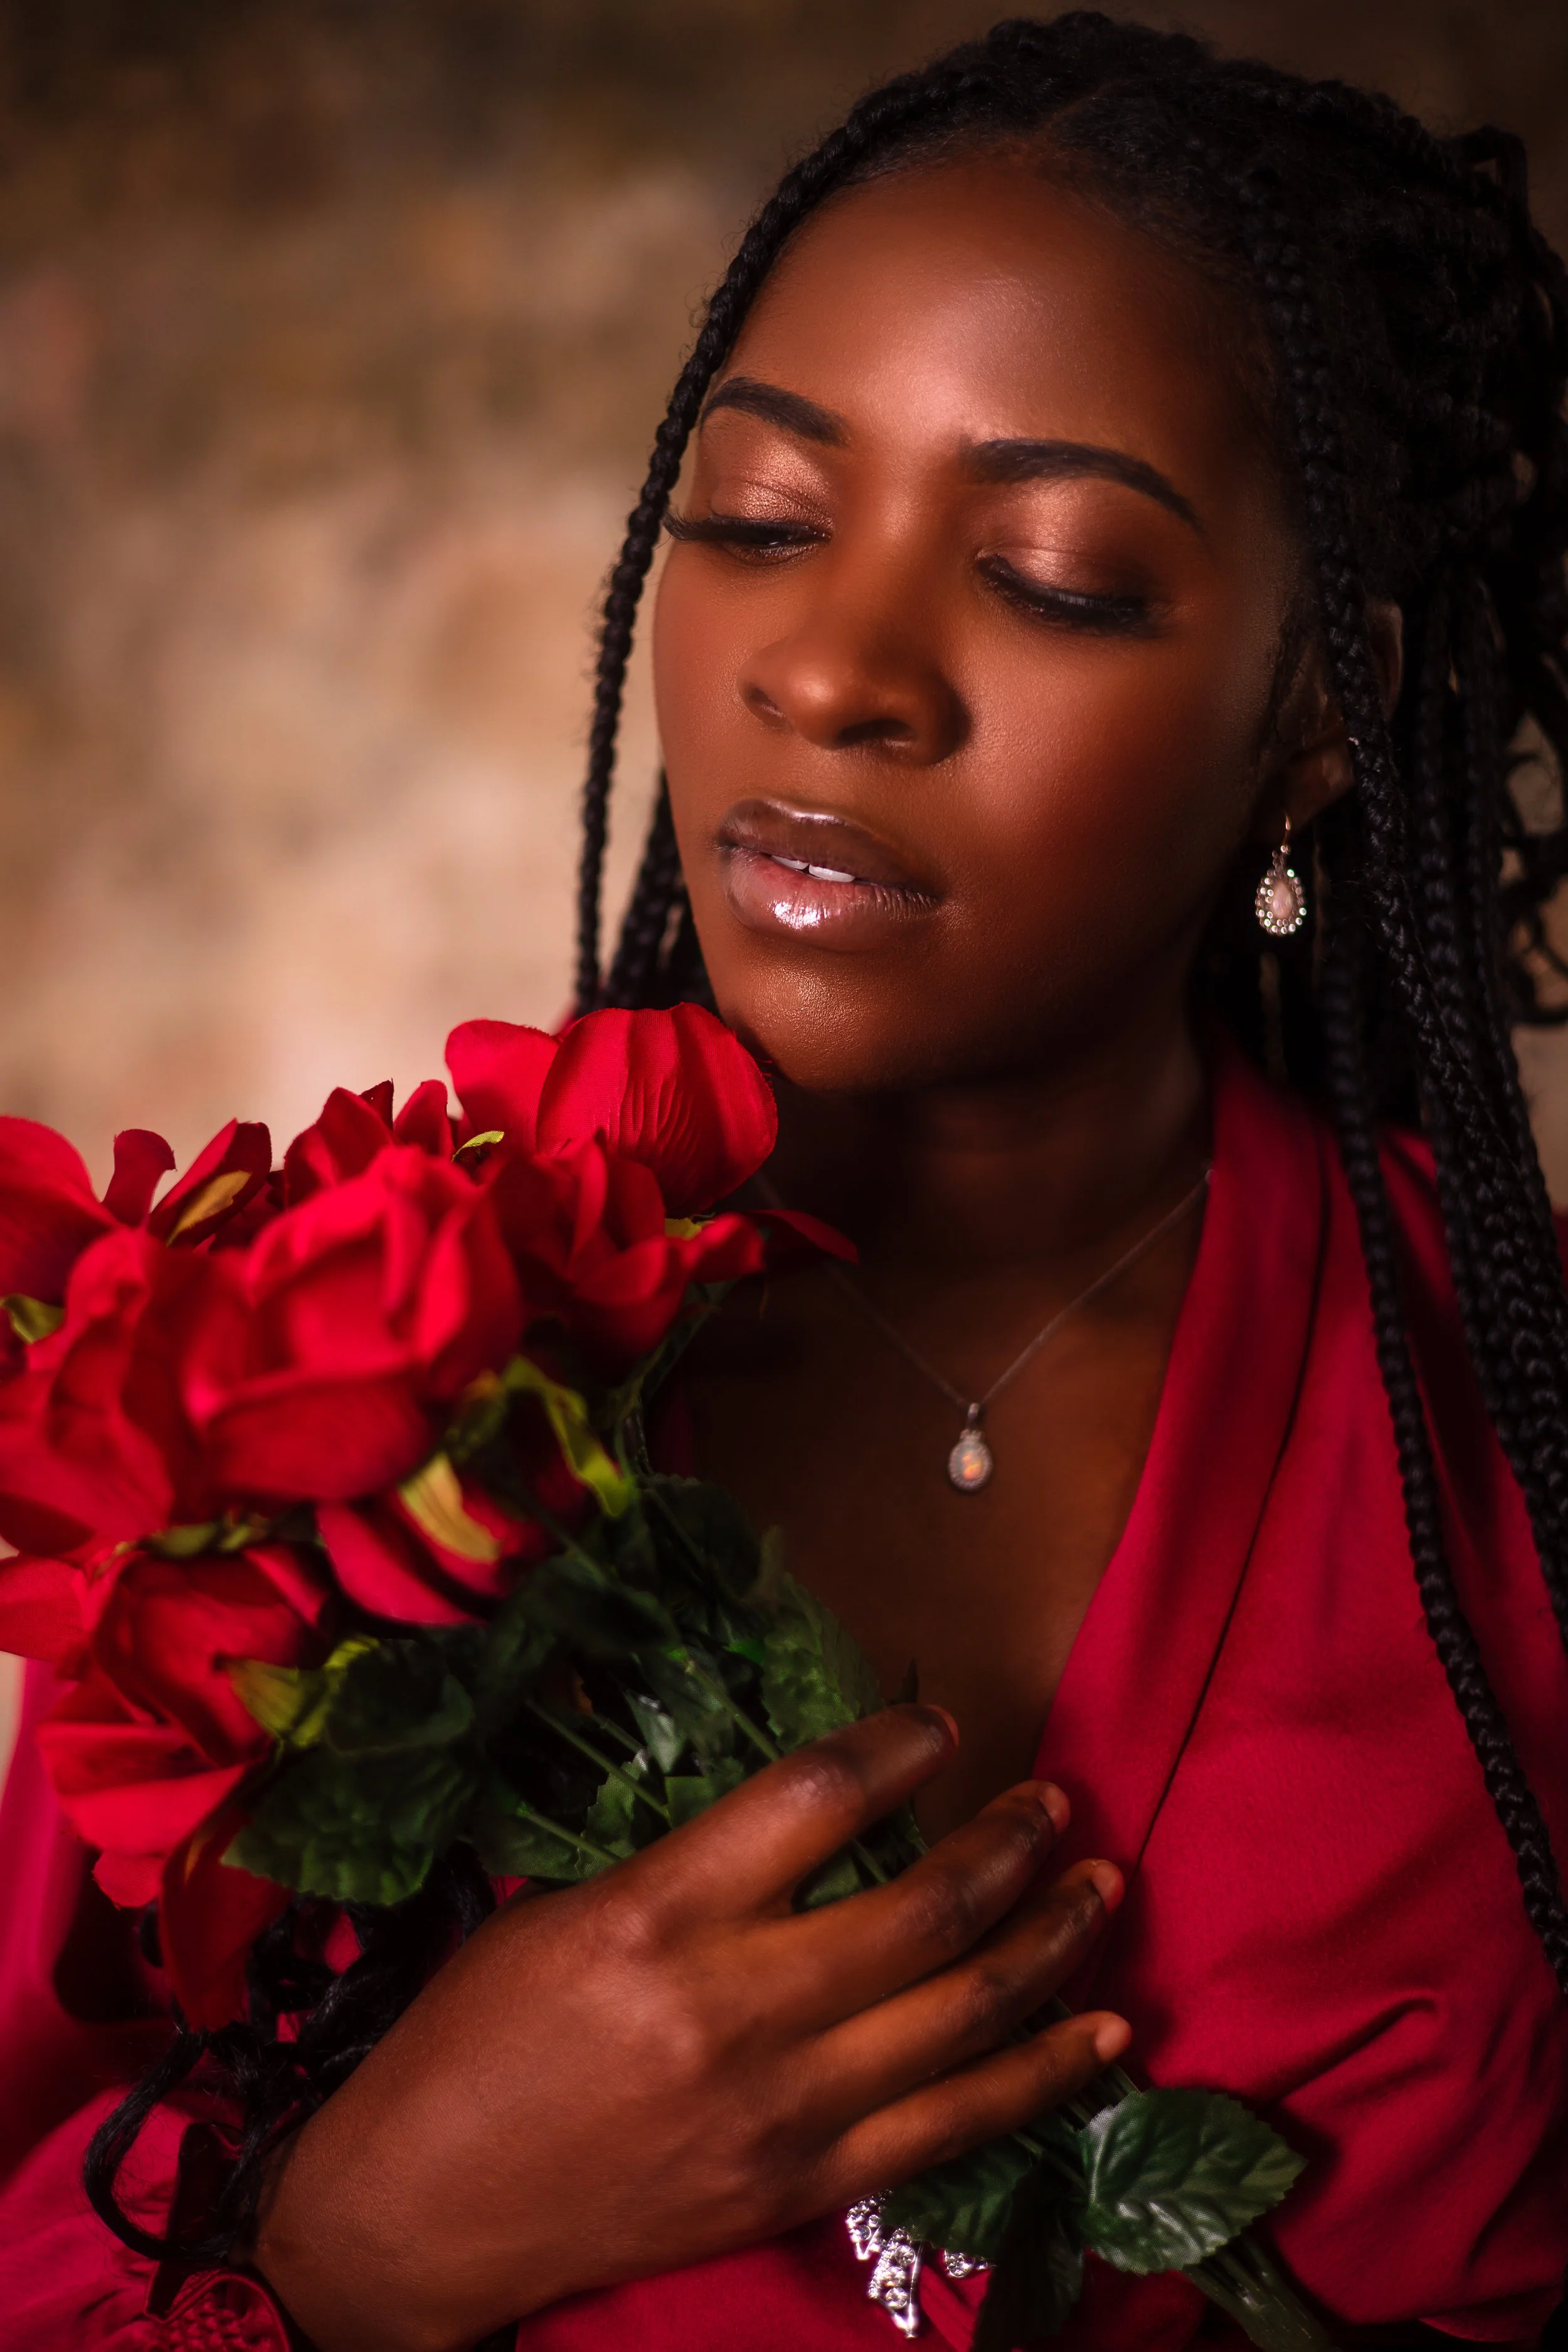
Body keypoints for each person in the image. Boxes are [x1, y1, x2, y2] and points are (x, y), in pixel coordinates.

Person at [3, 13, 1567, 2349]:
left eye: (1047, 573)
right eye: (754, 521)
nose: (832, 668)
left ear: (1321, 704)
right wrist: (360, 2247)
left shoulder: (1514, 1448)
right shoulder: (334, 1385)